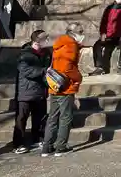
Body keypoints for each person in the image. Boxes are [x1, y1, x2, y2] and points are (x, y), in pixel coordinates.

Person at [41, 23, 84, 157]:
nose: (82, 34)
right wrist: (79, 77)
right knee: (65, 117)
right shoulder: (70, 45)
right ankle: (61, 146)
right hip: (66, 86)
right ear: (73, 32)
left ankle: (47, 147)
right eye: (80, 31)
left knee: (53, 116)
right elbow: (67, 67)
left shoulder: (60, 43)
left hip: (55, 85)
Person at [13, 30, 50, 153]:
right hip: (26, 92)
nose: (48, 40)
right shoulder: (25, 54)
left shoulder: (46, 53)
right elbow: (26, 71)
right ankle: (18, 144)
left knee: (39, 118)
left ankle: (37, 139)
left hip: (40, 91)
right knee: (21, 118)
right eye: (45, 38)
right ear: (37, 41)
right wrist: (44, 70)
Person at [91, 0, 121, 75]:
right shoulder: (109, 8)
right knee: (97, 45)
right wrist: (103, 33)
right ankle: (99, 67)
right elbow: (103, 22)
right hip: (109, 35)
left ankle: (120, 67)